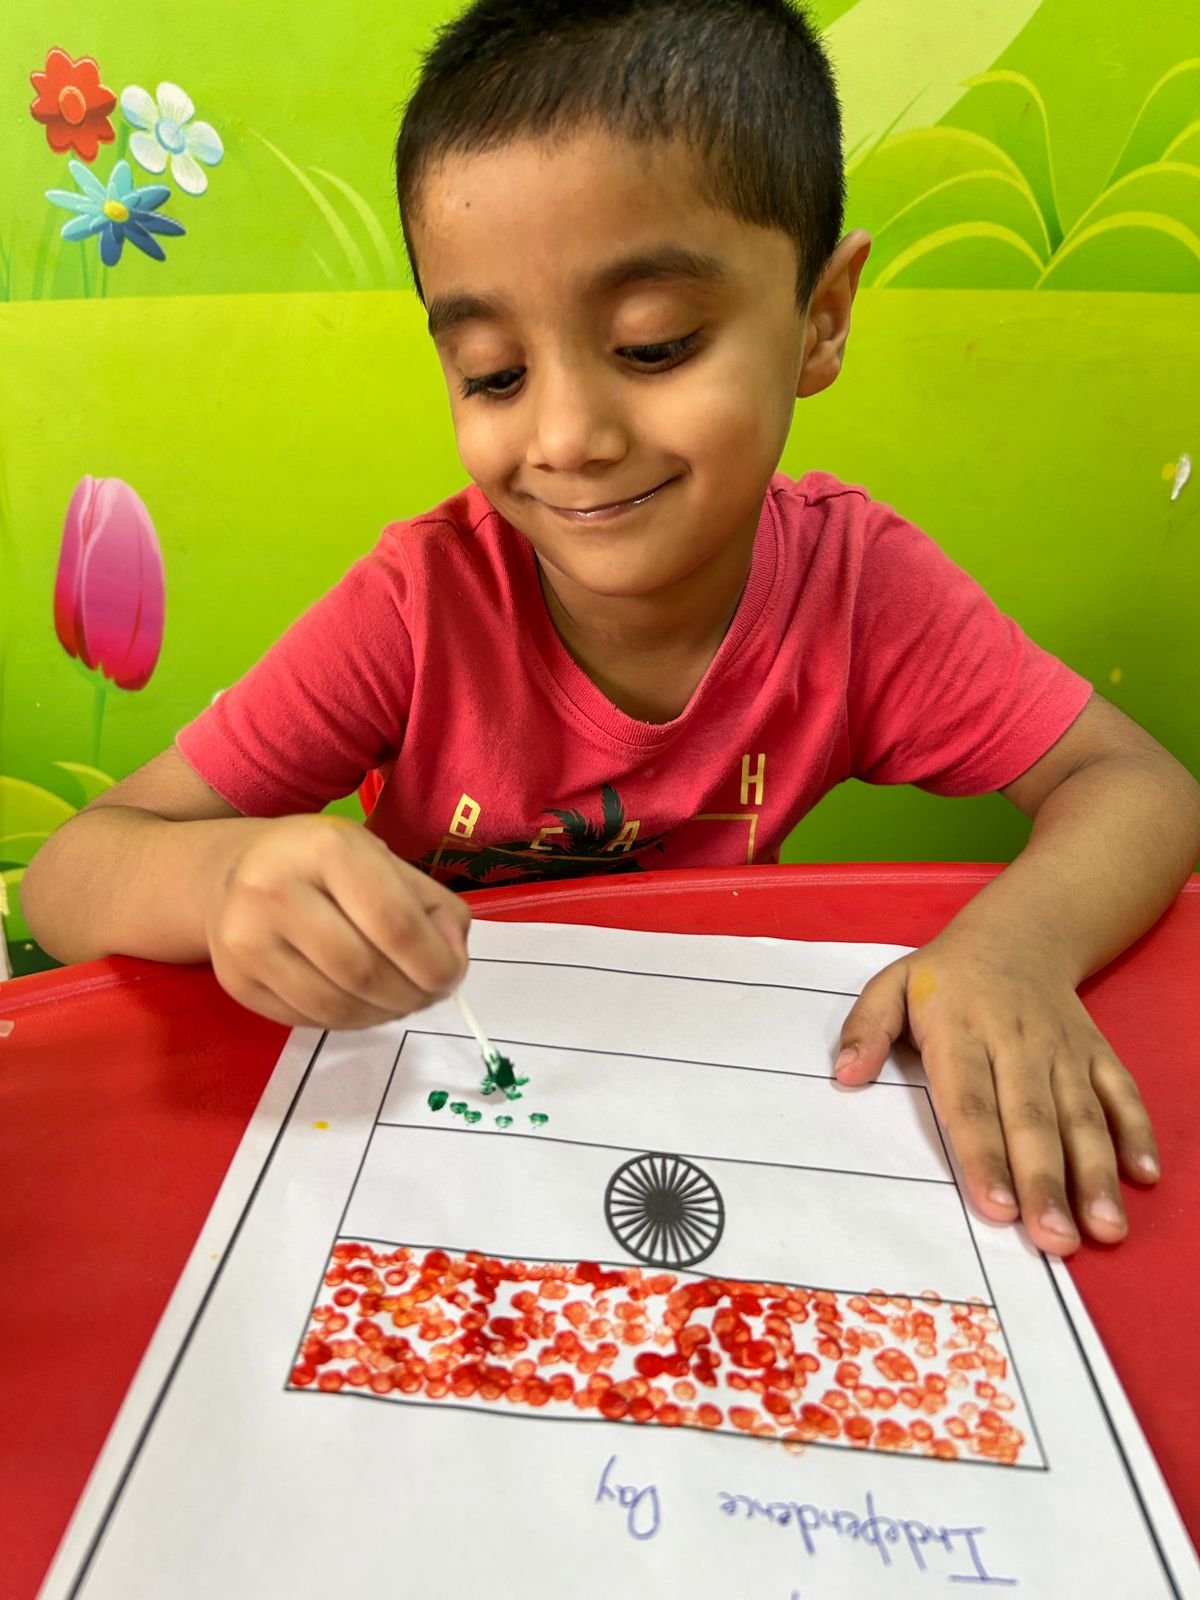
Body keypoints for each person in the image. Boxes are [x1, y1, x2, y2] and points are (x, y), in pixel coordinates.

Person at [22, 0, 1200, 1259]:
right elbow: (69, 876)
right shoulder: (418, 607)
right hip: (429, 1120)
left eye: (654, 345)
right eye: (493, 372)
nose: (567, 436)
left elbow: (1135, 784)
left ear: (820, 317)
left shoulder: (861, 591)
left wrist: (1018, 945)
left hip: (705, 1097)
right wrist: (223, 884)